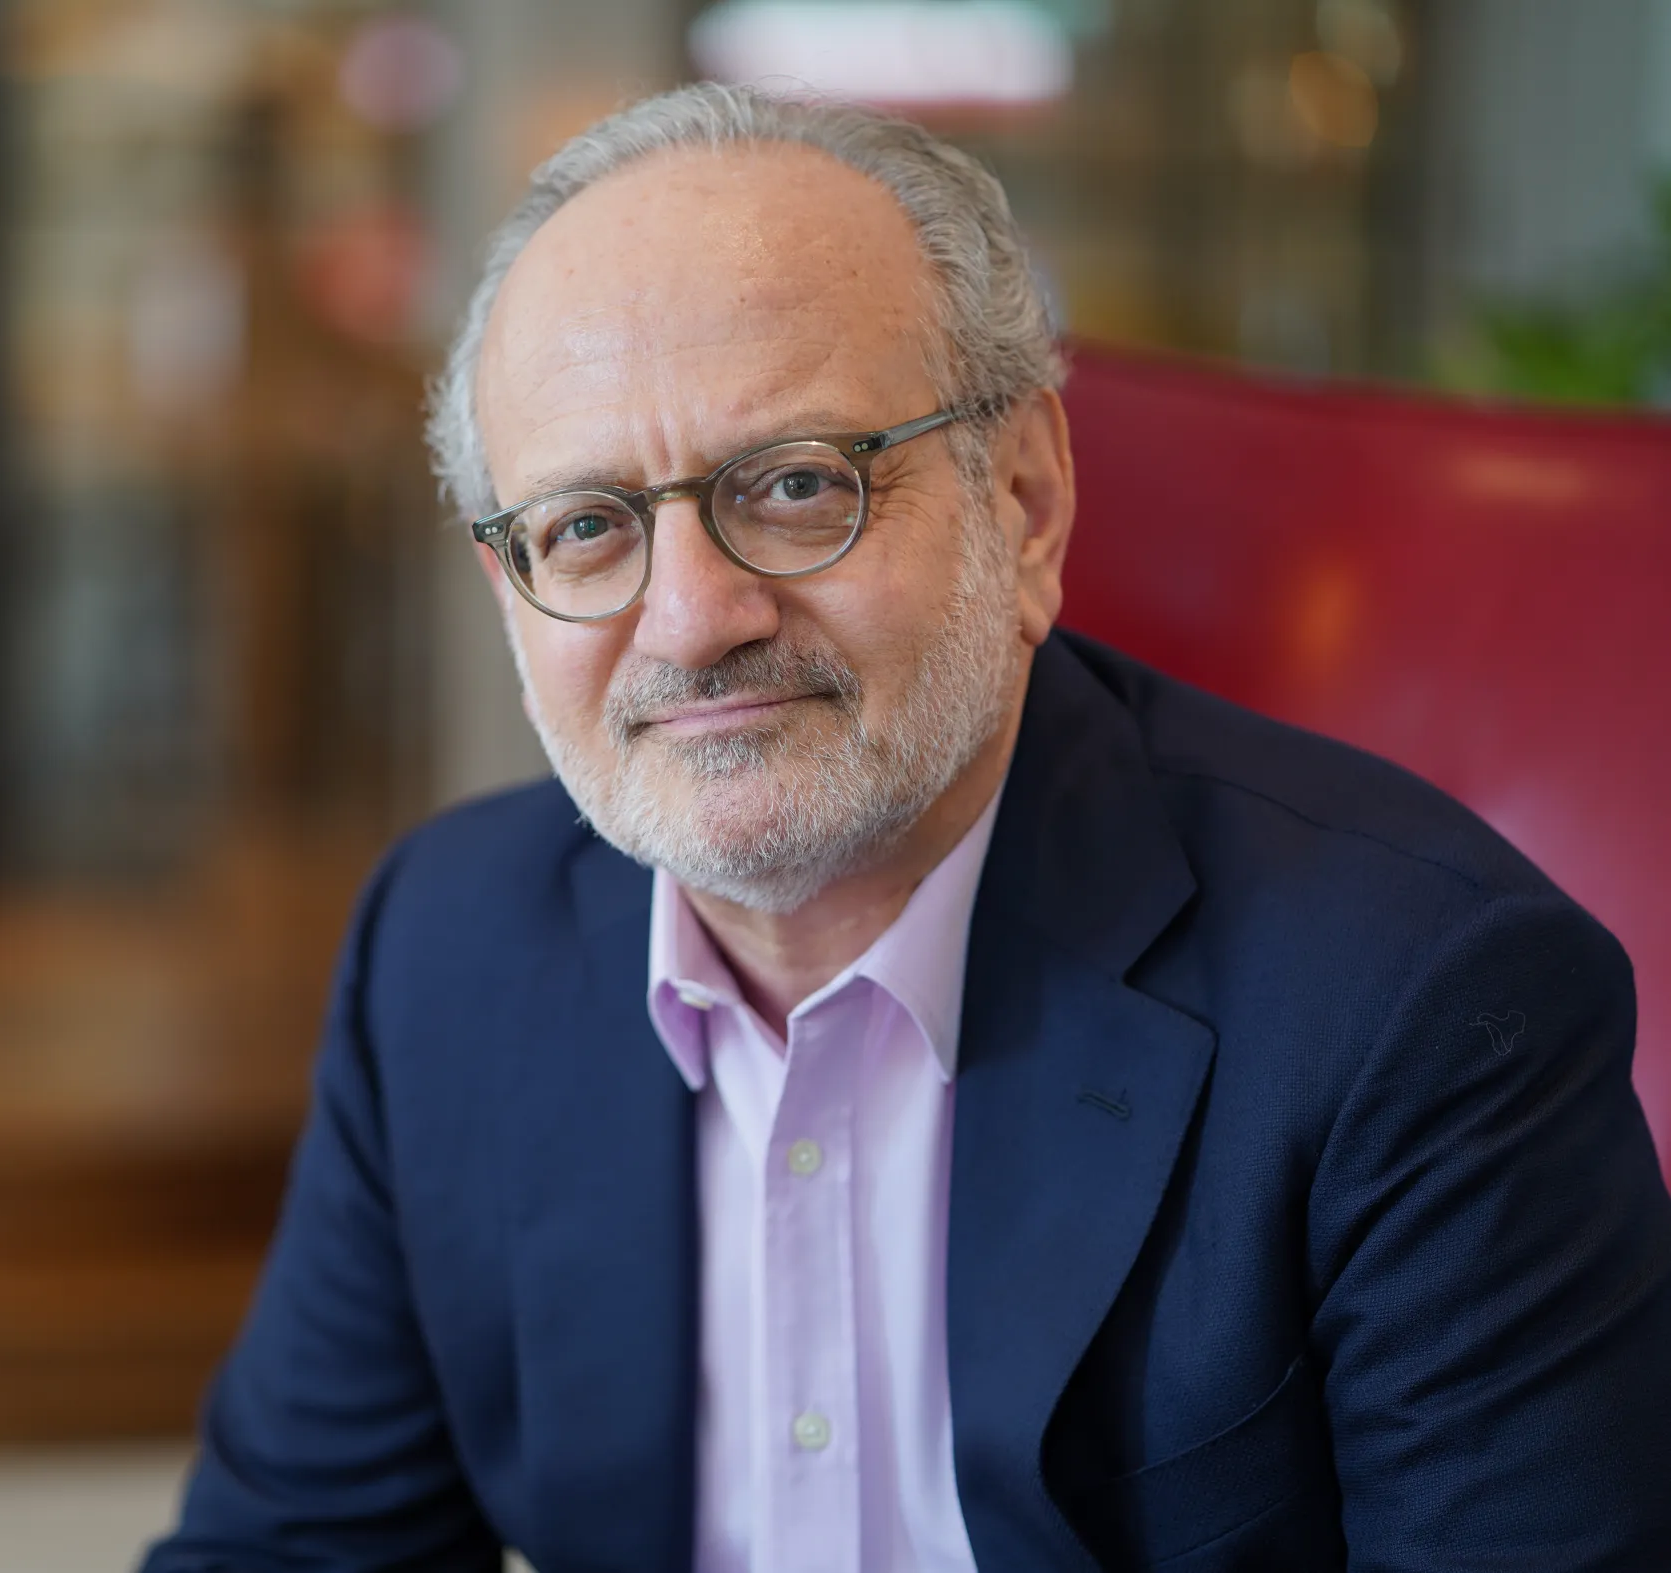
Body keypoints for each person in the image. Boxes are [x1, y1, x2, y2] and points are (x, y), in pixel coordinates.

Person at [142, 85, 1671, 1572]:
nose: (690, 621)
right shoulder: (449, 953)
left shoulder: (1422, 1007)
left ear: (1023, 501)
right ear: (507, 586)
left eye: (799, 484)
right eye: (589, 526)